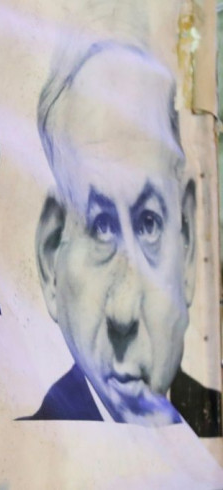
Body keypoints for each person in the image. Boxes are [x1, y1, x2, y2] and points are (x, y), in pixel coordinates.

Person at [20, 40, 221, 436]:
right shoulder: (19, 454)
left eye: (148, 223)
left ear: (187, 243)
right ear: (50, 260)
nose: (124, 313)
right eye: (101, 227)